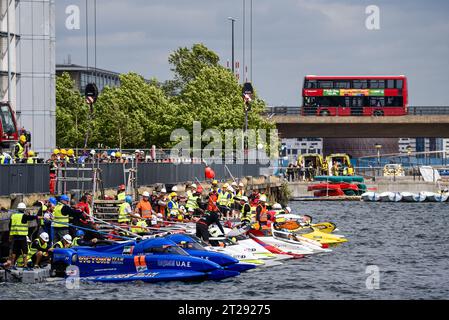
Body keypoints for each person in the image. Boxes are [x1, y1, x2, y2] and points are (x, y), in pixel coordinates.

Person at [2, 203, 39, 270]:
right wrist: (36, 216)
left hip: (15, 236)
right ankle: (25, 266)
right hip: (22, 236)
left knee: (14, 251)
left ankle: (12, 265)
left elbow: (10, 226)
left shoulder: (13, 216)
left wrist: (10, 235)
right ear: (24, 209)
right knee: (25, 251)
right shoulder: (23, 216)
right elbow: (31, 218)